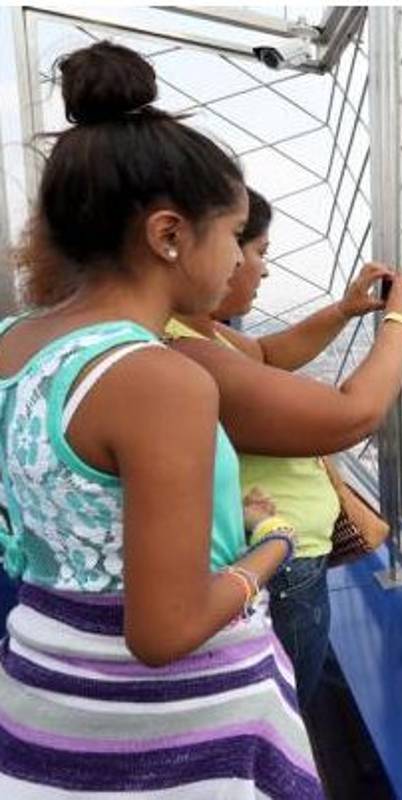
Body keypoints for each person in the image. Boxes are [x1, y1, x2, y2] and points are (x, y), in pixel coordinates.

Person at [0, 42, 320, 798]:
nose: (241, 266)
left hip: (44, 690)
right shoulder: (157, 379)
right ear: (171, 234)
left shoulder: (16, 343)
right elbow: (163, 632)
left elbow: (73, 504)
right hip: (167, 734)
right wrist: (270, 546)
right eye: (233, 236)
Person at [166, 189, 402, 715]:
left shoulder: (197, 333)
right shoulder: (182, 353)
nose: (255, 266)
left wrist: (345, 309)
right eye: (251, 247)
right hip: (276, 564)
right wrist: (401, 324)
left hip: (277, 552)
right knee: (284, 708)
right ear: (176, 243)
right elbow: (348, 417)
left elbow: (265, 355)